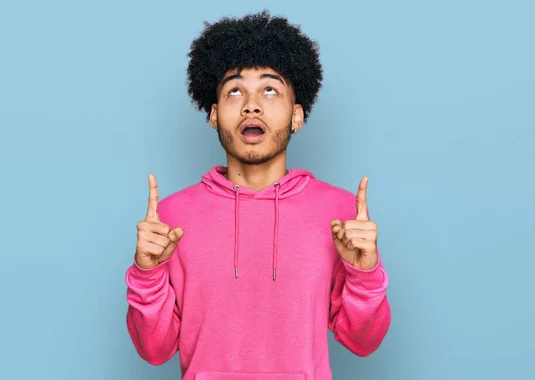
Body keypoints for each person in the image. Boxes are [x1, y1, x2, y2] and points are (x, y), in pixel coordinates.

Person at [125, 10, 391, 380]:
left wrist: (364, 273)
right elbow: (154, 351)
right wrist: (147, 273)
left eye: (270, 89)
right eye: (235, 91)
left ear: (297, 115)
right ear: (214, 115)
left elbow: (363, 342)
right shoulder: (170, 220)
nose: (252, 104)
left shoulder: (341, 214)